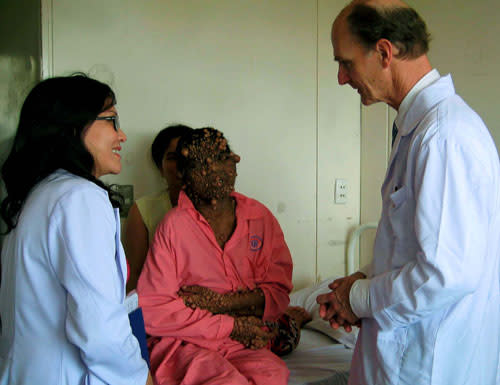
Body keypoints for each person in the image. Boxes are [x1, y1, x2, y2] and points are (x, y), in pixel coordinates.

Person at [316, 1, 500, 384]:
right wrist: (355, 285)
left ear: (384, 52)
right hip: (404, 356)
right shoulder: (421, 131)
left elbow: (446, 273)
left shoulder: (444, 136)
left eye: (345, 62)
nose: (340, 77)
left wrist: (359, 298)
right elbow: (412, 248)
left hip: (427, 365)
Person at [0, 74, 153, 385]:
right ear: (71, 127)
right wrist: (140, 378)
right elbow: (101, 328)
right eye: (111, 120)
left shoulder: (41, 194)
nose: (121, 135)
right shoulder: (79, 198)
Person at [137, 127, 293, 384]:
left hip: (243, 340)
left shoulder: (260, 218)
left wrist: (222, 304)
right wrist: (231, 324)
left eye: (221, 158)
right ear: (183, 175)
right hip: (186, 341)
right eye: (200, 164)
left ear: (235, 161)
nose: (214, 170)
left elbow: (278, 294)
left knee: (273, 376)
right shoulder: (174, 225)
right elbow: (154, 308)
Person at [125, 124, 192, 292]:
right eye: (172, 157)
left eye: (188, 155)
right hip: (160, 308)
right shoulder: (143, 210)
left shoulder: (219, 208)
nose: (181, 164)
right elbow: (135, 275)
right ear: (160, 168)